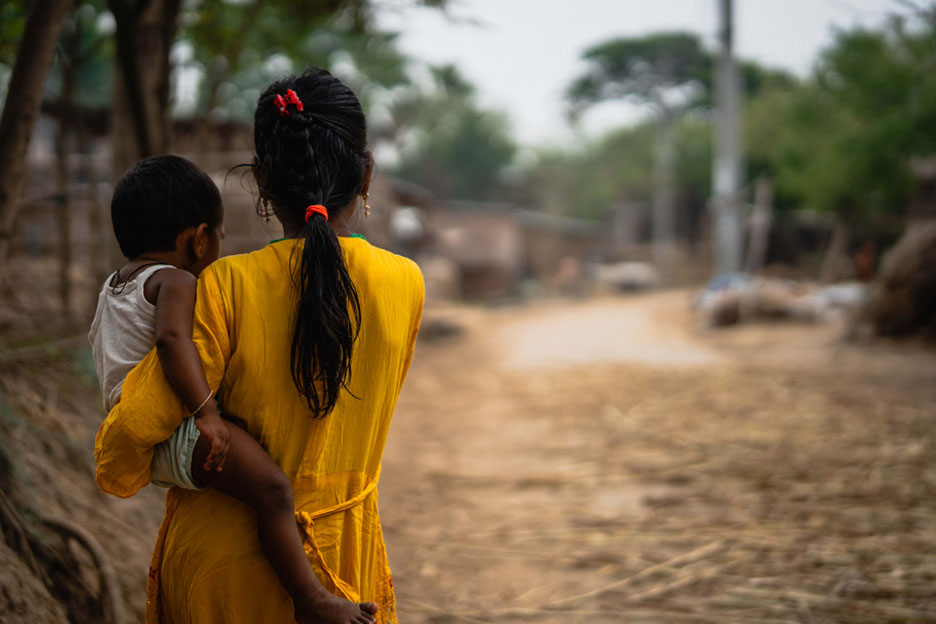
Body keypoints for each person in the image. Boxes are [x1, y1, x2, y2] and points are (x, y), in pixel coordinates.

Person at [94, 69, 424, 624]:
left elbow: (138, 426)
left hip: (222, 577)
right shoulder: (407, 283)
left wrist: (118, 457)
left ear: (263, 182)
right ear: (365, 174)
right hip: (349, 564)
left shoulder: (222, 286)